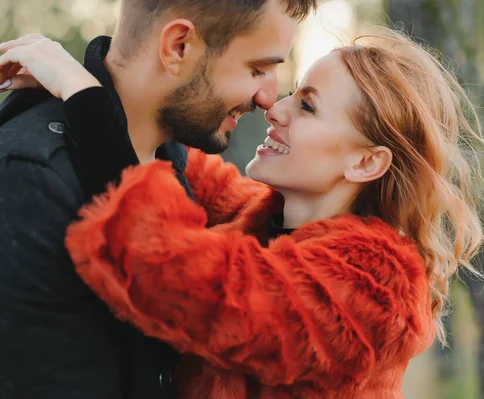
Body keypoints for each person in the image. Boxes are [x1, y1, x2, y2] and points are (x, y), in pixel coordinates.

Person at [1, 28, 484, 398]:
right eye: (290, 92)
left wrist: (88, 102)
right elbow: (166, 156)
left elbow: (181, 278)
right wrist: (87, 85)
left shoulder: (374, 287)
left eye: (307, 107)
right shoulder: (264, 217)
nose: (275, 107)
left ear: (366, 162)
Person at [0, 1, 316, 398]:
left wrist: (88, 98)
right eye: (256, 69)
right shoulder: (34, 179)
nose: (269, 98)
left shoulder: (176, 165)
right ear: (179, 46)